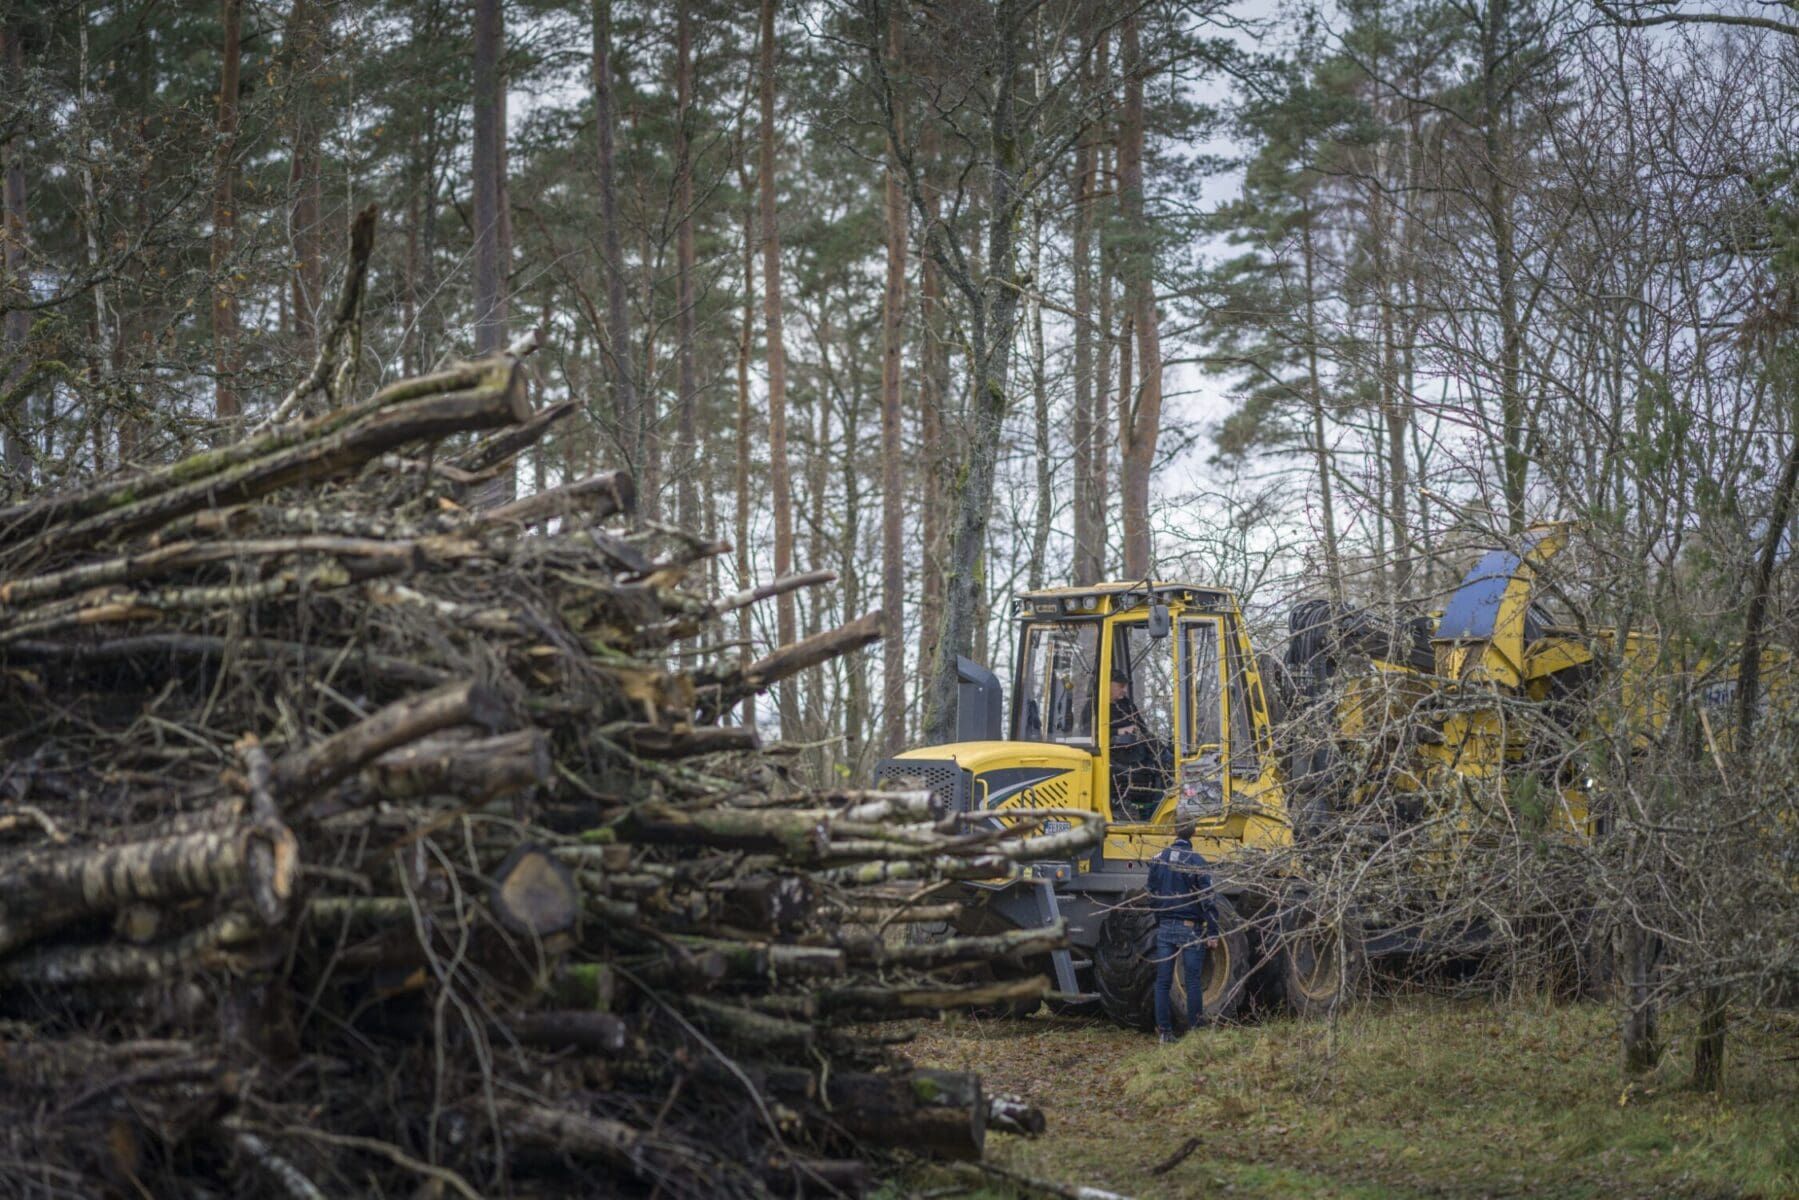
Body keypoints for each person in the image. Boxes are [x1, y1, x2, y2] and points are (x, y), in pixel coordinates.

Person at [1145, 809, 1221, 1042]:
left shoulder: (1158, 859)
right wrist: (1213, 931)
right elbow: (1208, 898)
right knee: (1192, 981)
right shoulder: (1197, 862)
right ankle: (1195, 1030)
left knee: (1163, 982)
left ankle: (1165, 1032)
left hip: (1166, 927)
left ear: (1174, 830)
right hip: (1190, 928)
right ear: (1194, 832)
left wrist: (1160, 918)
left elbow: (1151, 893)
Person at [1109, 671, 1165, 819]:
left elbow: (1142, 728)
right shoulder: (1093, 708)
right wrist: (1117, 731)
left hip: (1136, 754)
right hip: (1115, 757)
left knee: (1161, 762)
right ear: (1107, 685)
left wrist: (1139, 733)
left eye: (1125, 686)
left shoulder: (1127, 705)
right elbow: (1090, 734)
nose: (1124, 690)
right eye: (1120, 686)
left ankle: (1154, 812)